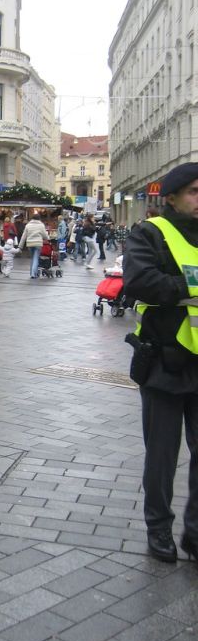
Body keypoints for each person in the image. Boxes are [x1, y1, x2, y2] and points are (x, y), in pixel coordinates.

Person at [123, 162, 198, 564]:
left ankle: (196, 532)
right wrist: (186, 285)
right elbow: (138, 281)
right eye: (194, 192)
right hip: (165, 361)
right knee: (162, 454)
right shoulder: (151, 232)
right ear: (171, 197)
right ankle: (159, 529)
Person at [18, 213, 48, 279]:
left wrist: (20, 246)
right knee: (36, 258)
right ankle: (33, 274)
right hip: (38, 244)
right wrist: (47, 238)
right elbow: (45, 236)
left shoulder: (28, 225)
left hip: (30, 244)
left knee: (32, 258)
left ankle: (32, 272)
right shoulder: (41, 225)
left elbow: (24, 236)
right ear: (39, 218)